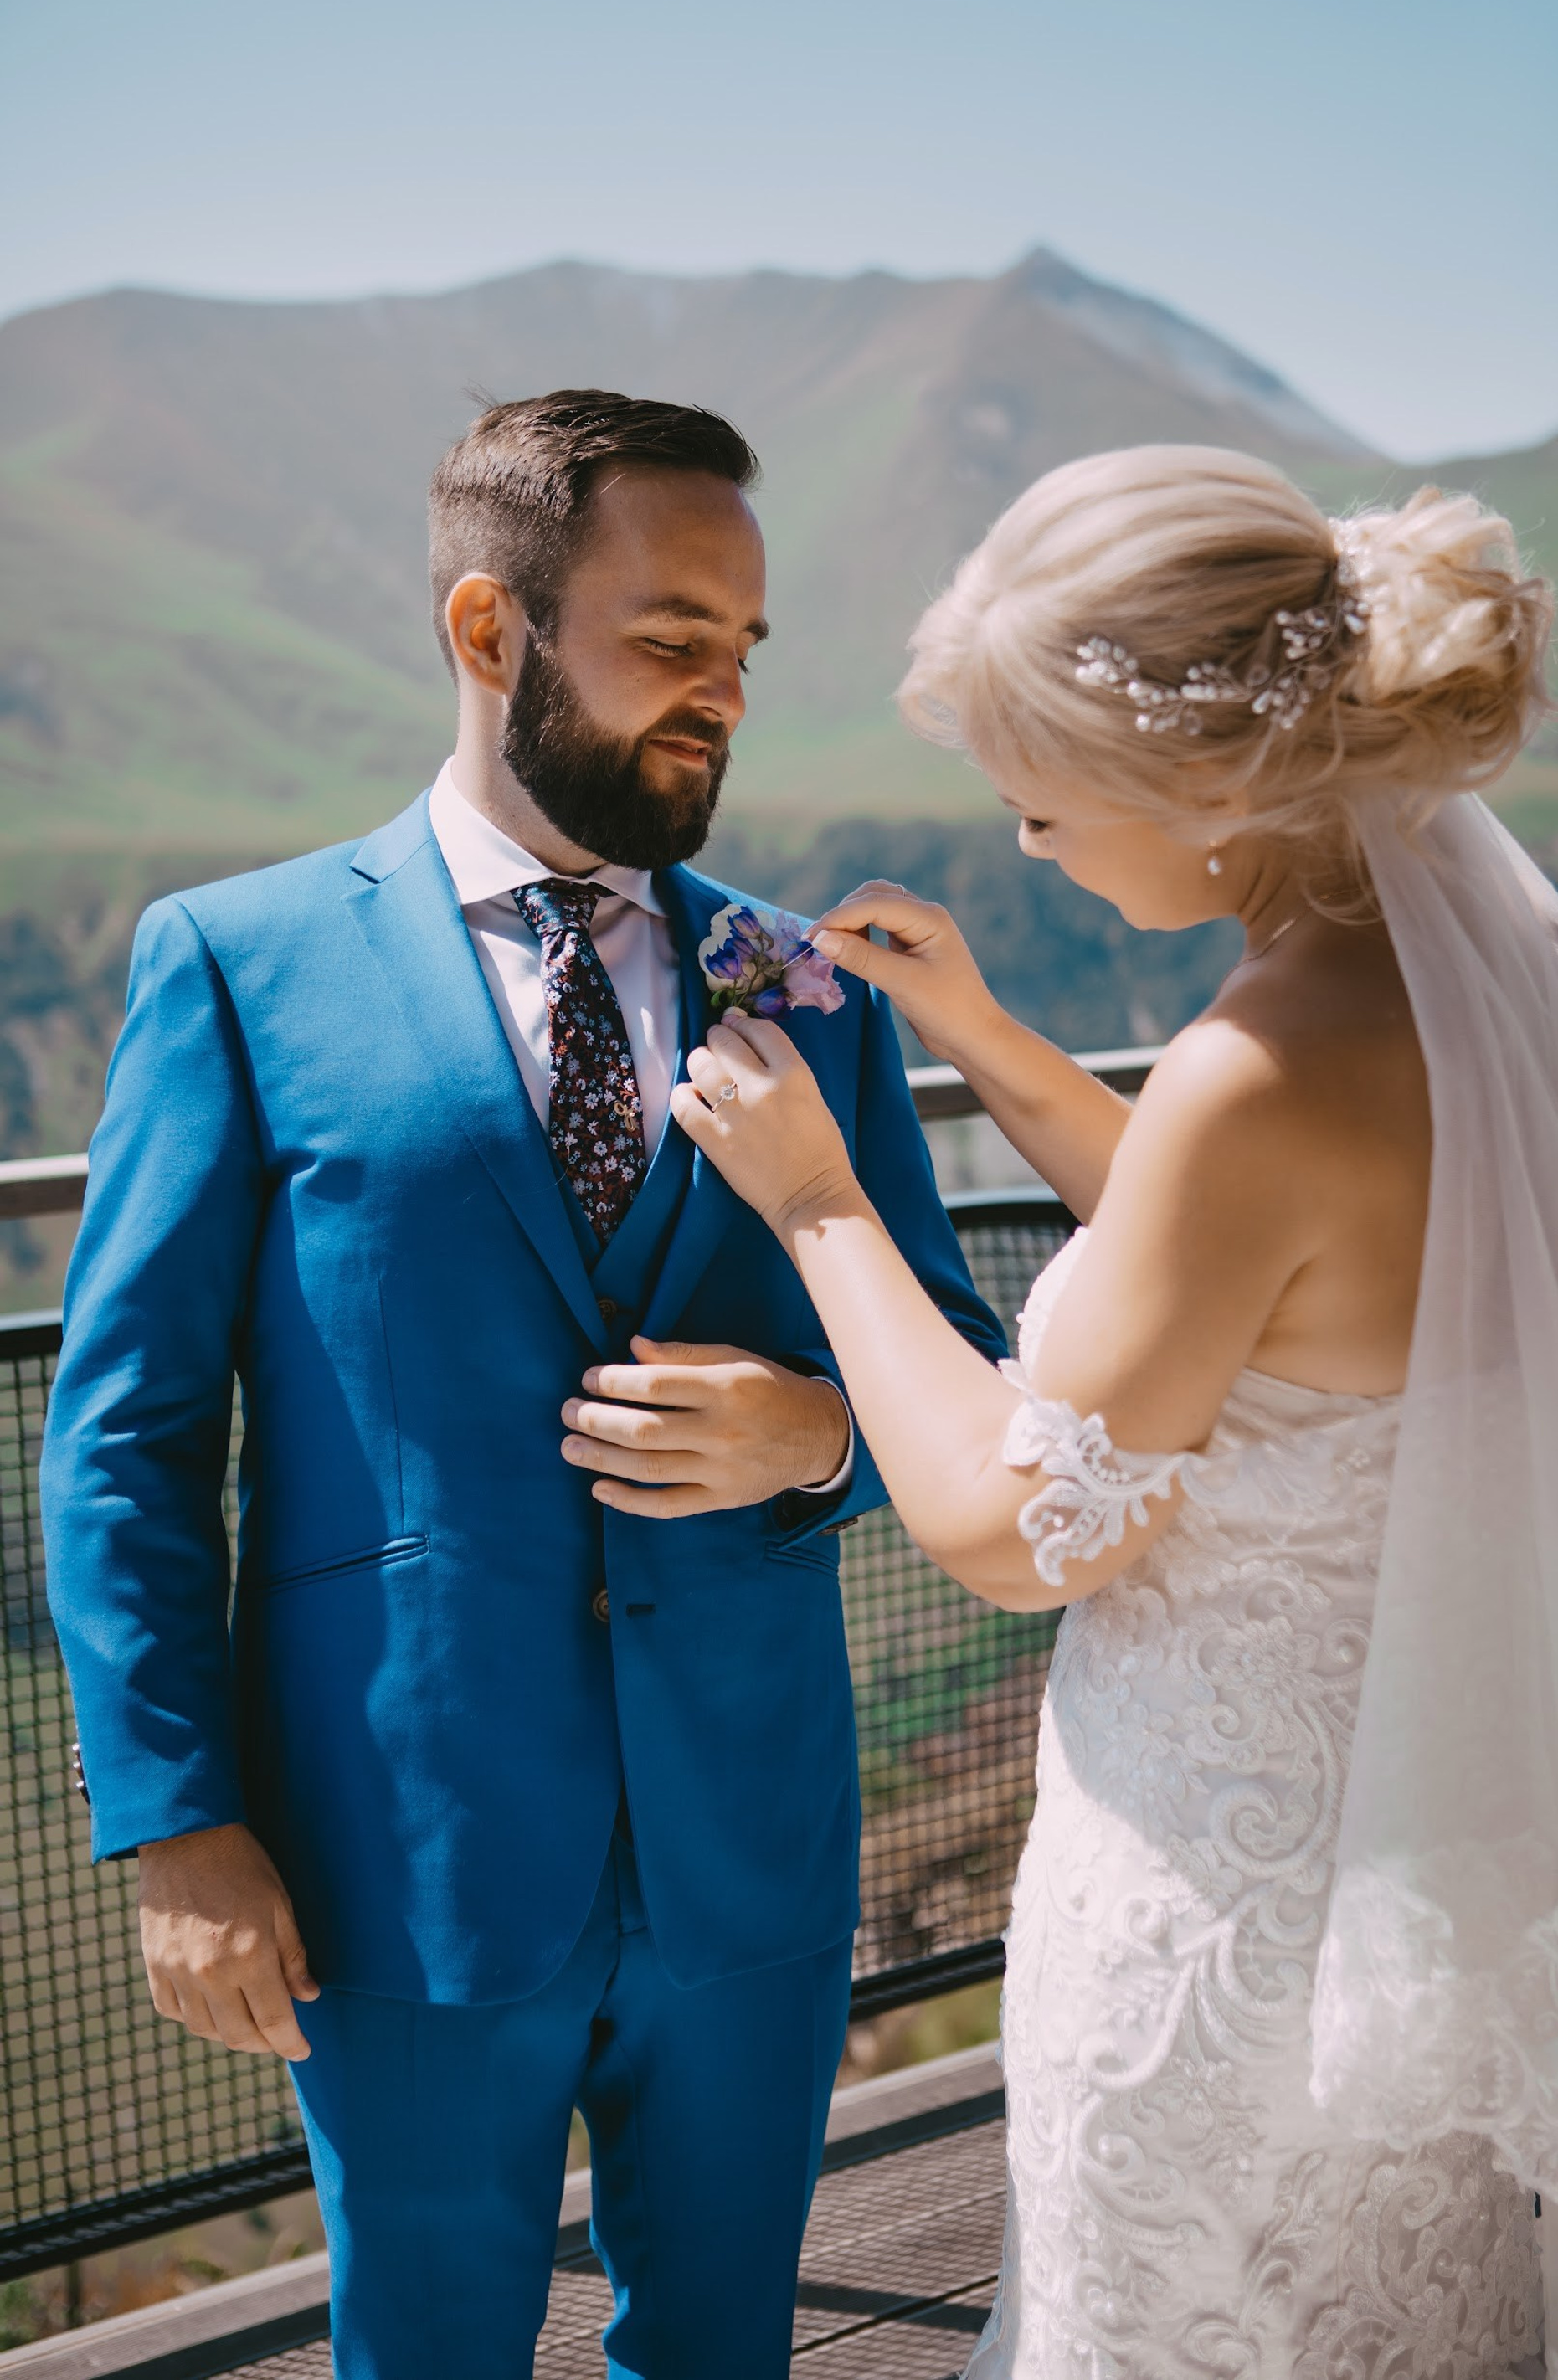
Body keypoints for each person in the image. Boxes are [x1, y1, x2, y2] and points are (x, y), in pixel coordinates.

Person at [40, 389, 1005, 2380]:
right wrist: (175, 1826)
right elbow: (129, 1433)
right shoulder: (237, 961)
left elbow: (957, 1364)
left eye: (744, 653)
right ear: (492, 632)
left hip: (751, 1832)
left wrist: (816, 1435)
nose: (719, 696)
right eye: (671, 643)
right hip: (396, 1851)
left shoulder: (795, 979)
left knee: (730, 2349)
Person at [672, 445, 1558, 2373]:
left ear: (1197, 786)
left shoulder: (1254, 1072)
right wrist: (993, 1039)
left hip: (1218, 1928)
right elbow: (1274, 1291)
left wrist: (820, 1205)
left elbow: (1023, 1532)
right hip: (1407, 1900)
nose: (1030, 841)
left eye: (1041, 809)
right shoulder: (1484, 980)